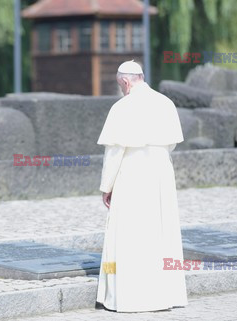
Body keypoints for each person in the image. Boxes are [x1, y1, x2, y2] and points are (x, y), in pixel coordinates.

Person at [95, 60, 188, 313]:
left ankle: (129, 296)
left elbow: (114, 152)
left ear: (126, 82)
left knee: (129, 234)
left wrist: (107, 186)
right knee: (161, 232)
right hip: (160, 175)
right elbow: (171, 145)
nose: (122, 90)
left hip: (132, 175)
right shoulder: (166, 103)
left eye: (121, 85)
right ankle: (165, 295)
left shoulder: (122, 108)